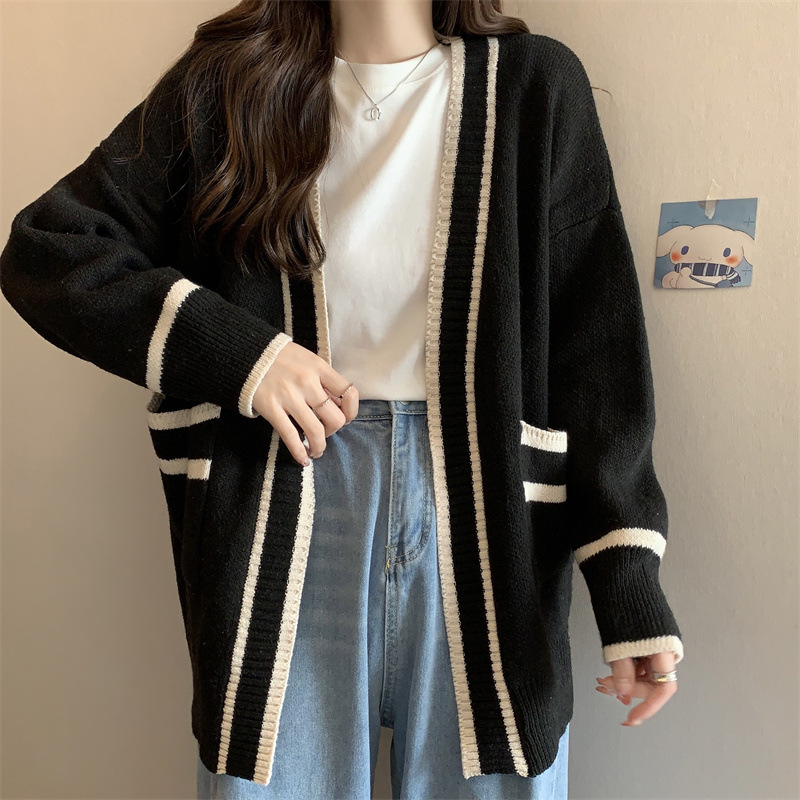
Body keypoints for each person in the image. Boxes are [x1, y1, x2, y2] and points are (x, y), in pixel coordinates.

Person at [0, 1, 683, 798]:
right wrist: (244, 358)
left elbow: (597, 351)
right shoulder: (229, 86)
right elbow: (50, 249)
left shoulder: (534, 87)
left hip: (486, 524)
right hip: (283, 504)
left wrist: (629, 583)